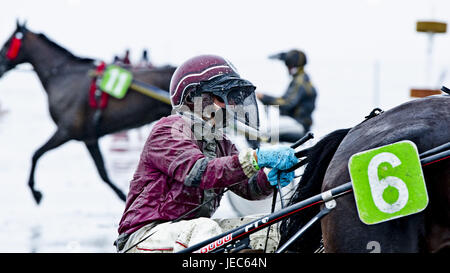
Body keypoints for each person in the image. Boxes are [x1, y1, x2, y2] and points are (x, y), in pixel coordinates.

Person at [115, 55, 299, 253]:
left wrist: (269, 178)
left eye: (234, 98)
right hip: (143, 237)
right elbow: (200, 172)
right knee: (205, 229)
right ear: (191, 99)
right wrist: (255, 158)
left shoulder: (222, 143)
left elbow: (249, 188)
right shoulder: (169, 129)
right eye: (222, 97)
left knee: (272, 228)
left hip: (189, 234)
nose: (231, 106)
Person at [257, 49, 317, 143]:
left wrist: (264, 98)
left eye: (288, 65)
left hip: (298, 124)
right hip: (299, 124)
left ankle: (253, 156)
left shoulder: (300, 82)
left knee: (261, 131)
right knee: (265, 130)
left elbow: (288, 103)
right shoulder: (303, 79)